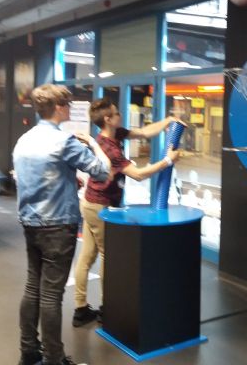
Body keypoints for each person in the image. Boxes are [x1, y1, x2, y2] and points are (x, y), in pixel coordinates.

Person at [13, 84, 111, 365]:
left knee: (33, 288)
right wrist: (94, 143)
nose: (69, 108)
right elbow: (102, 172)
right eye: (67, 104)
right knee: (52, 296)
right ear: (57, 107)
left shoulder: (24, 140)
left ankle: (29, 352)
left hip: (31, 224)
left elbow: (32, 177)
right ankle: (54, 358)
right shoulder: (64, 141)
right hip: (58, 227)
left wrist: (66, 178)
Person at [72, 98, 182, 326]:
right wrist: (167, 161)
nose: (120, 114)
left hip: (91, 203)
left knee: (88, 255)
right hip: (99, 206)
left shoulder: (116, 134)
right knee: (107, 255)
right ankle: (107, 308)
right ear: (107, 119)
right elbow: (138, 174)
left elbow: (144, 132)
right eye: (116, 113)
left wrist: (168, 121)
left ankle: (80, 309)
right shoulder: (109, 148)